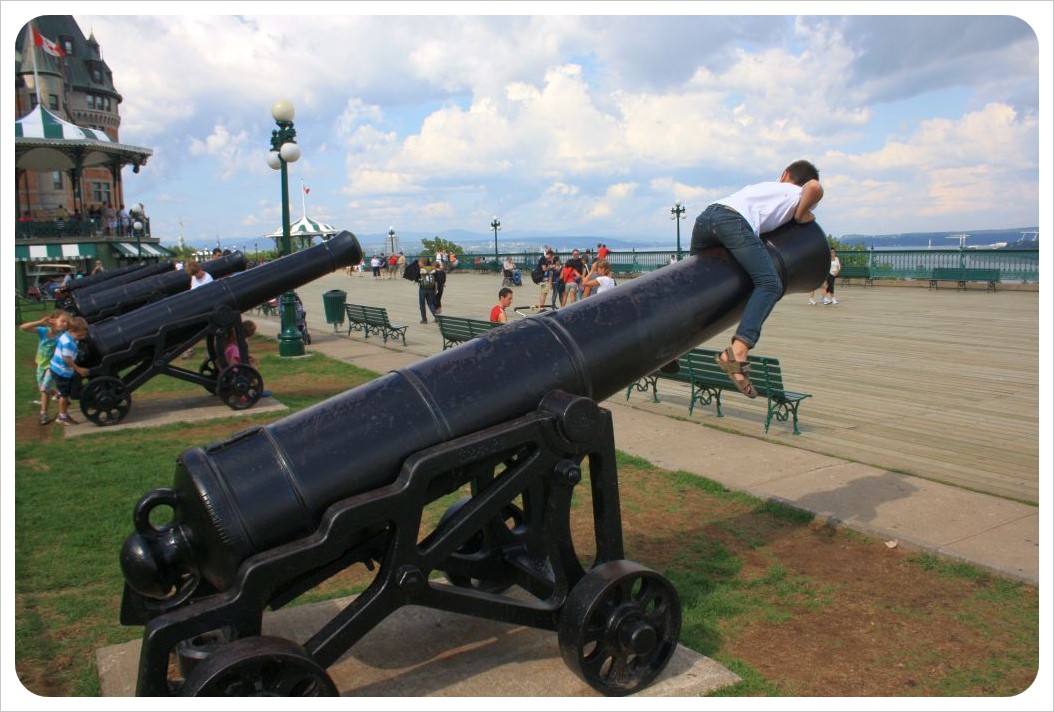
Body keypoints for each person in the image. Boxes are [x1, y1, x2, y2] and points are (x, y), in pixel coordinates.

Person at [691, 159, 824, 399]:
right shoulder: (795, 192)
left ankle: (670, 350)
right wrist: (802, 214)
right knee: (770, 284)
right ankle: (738, 352)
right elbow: (814, 186)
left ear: (784, 174)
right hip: (732, 222)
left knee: (696, 291)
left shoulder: (763, 188)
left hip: (706, 218)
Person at [20, 310, 69, 425]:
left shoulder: (62, 336)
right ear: (53, 320)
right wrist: (40, 322)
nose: (65, 324)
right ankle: (59, 395)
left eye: (66, 322)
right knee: (43, 388)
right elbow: (23, 327)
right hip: (41, 365)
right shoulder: (43, 331)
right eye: (63, 321)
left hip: (52, 366)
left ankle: (44, 415)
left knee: (44, 389)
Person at [49, 316, 91, 426]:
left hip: (56, 368)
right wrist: (78, 369)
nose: (82, 338)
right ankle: (62, 417)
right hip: (62, 372)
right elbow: (67, 359)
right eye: (79, 336)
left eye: (83, 335)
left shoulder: (66, 336)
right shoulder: (69, 343)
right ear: (71, 330)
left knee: (64, 390)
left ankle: (59, 394)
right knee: (65, 395)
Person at [416, 257, 439, 323]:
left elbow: (417, 278)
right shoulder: (432, 268)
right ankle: (437, 317)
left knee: (422, 304)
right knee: (431, 303)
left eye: (419, 262)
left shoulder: (421, 270)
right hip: (431, 288)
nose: (418, 264)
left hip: (423, 288)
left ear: (422, 263)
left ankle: (424, 319)